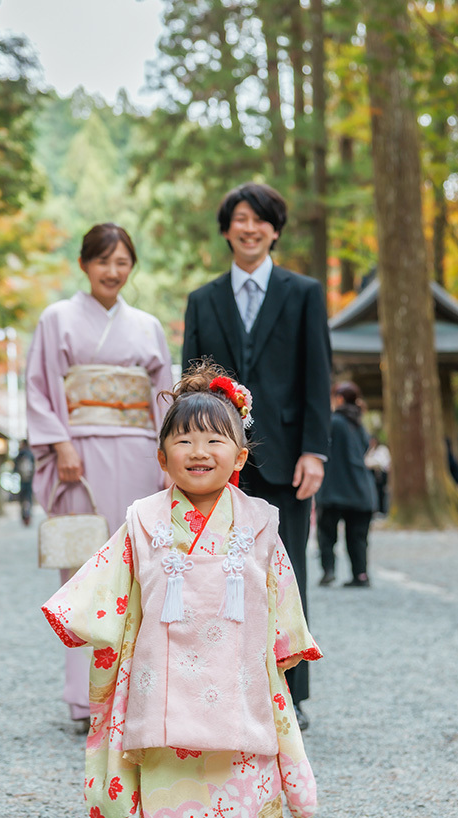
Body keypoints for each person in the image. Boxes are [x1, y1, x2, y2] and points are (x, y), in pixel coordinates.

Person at [41, 362, 321, 818]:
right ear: (162, 456)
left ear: (240, 456)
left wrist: (285, 651)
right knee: (175, 800)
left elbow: (281, 594)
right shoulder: (142, 520)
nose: (200, 450)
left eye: (216, 439)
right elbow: (110, 587)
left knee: (248, 789)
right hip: (163, 690)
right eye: (183, 439)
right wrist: (78, 617)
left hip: (240, 683)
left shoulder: (262, 522)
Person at [183, 182, 331, 731]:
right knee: (216, 578)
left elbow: (318, 375)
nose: (249, 228)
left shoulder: (304, 293)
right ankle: (221, 689)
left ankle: (290, 695)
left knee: (285, 575)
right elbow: (191, 388)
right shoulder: (203, 300)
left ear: (274, 229)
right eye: (240, 219)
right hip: (217, 466)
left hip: (287, 460)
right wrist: (190, 456)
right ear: (227, 229)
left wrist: (316, 450)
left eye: (260, 220)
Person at [26, 223, 173, 726]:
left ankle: (134, 694)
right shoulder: (57, 318)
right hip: (79, 458)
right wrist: (60, 442)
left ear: (132, 268)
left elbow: (163, 399)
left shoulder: (148, 326)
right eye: (104, 261)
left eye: (123, 262)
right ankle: (83, 696)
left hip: (136, 453)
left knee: (139, 572)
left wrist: (168, 456)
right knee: (83, 572)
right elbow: (41, 387)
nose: (113, 271)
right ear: (85, 264)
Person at [316, 382, 377, 588]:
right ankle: (360, 575)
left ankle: (328, 572)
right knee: (358, 537)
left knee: (327, 534)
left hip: (334, 487)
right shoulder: (361, 426)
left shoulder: (333, 422)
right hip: (360, 488)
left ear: (339, 399)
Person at [364, 435, 391, 515]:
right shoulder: (369, 450)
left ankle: (382, 510)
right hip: (371, 473)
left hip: (380, 473)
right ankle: (375, 509)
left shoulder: (382, 450)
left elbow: (382, 461)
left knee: (381, 491)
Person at [13, 439, 35, 526]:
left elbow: (15, 468)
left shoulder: (20, 454)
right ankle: (28, 514)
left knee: (22, 498)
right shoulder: (31, 453)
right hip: (30, 479)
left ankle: (24, 515)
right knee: (29, 498)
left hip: (22, 480)